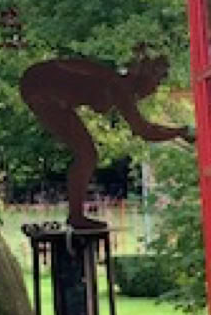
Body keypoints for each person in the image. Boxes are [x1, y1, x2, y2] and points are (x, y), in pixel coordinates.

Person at [20, 55, 193, 229]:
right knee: (86, 155)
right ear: (144, 78)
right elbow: (145, 131)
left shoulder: (118, 88)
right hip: (41, 88)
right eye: (157, 81)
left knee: (87, 154)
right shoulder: (116, 83)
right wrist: (180, 132)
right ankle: (76, 216)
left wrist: (179, 132)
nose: (156, 88)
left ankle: (76, 215)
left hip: (44, 89)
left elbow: (144, 130)